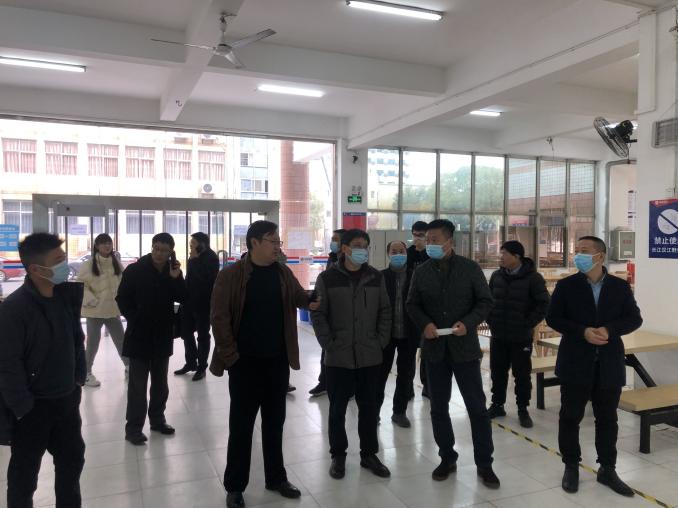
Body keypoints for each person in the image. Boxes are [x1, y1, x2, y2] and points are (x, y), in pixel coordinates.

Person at [210, 221, 319, 508]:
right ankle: (235, 486)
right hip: (244, 365)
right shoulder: (231, 275)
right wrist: (232, 358)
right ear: (254, 243)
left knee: (274, 424)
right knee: (241, 427)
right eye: (273, 241)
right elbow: (219, 319)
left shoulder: (282, 272)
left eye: (278, 241)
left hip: (276, 362)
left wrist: (313, 299)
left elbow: (299, 297)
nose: (278, 246)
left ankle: (276, 478)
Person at [547, 236, 642, 497]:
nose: (578, 255)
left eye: (584, 250)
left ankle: (607, 469)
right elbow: (553, 318)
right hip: (575, 362)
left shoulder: (619, 287)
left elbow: (634, 318)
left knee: (608, 419)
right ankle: (571, 465)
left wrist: (609, 330)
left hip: (609, 363)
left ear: (600, 255)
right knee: (570, 416)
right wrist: (583, 331)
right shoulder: (566, 286)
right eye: (576, 250)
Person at [406, 219, 499, 487]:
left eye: (434, 240)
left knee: (477, 408)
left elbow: (485, 301)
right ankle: (447, 457)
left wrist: (468, 323)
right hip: (435, 350)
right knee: (438, 408)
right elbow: (412, 304)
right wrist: (425, 324)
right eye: (427, 240)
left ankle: (485, 463)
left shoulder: (469, 269)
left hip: (465, 350)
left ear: (450, 242)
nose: (429, 244)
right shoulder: (422, 271)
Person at [0, 233, 86, 507]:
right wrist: (24, 408)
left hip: (66, 401)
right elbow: (7, 365)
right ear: (37, 269)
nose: (65, 265)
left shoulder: (65, 297)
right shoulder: (14, 309)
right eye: (58, 261)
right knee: (24, 477)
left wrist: (77, 380)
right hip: (33, 408)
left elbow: (76, 340)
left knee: (71, 465)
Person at [311, 229, 392, 480]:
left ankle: (369, 454)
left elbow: (385, 311)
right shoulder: (327, 278)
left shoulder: (375, 277)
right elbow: (318, 313)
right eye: (357, 245)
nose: (362, 250)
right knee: (337, 409)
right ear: (345, 248)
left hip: (370, 356)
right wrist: (328, 343)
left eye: (365, 246)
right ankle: (338, 455)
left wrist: (380, 341)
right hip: (339, 356)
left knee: (369, 408)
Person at [116, 233, 187, 446]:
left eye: (164, 250)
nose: (159, 253)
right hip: (139, 335)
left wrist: (176, 278)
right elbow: (122, 298)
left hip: (162, 334)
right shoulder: (135, 270)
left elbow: (183, 297)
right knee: (137, 386)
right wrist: (135, 318)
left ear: (171, 252)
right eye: (156, 248)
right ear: (152, 247)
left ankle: (157, 420)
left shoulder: (172, 271)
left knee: (160, 384)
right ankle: (133, 429)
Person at [486, 241, 549, 428]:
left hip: (521, 336)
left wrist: (527, 323)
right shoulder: (497, 276)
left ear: (516, 256)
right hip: (498, 334)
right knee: (497, 372)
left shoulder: (533, 278)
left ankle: (523, 409)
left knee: (521, 374)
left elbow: (544, 303)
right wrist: (491, 320)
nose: (501, 257)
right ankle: (497, 405)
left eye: (504, 253)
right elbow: (488, 300)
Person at [77, 233, 129, 387]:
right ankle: (86, 373)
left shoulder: (116, 263)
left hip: (112, 310)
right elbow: (81, 285)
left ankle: (128, 367)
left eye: (109, 243)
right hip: (94, 311)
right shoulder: (89, 264)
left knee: (121, 341)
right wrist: (92, 300)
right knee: (92, 344)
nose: (107, 246)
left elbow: (125, 283)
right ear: (97, 246)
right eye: (103, 243)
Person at [377, 240, 418, 428]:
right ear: (388, 254)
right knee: (380, 375)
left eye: (401, 251)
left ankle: (399, 412)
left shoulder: (416, 276)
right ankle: (374, 413)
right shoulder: (380, 277)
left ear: (406, 254)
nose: (398, 254)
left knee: (405, 375)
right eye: (394, 251)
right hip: (386, 335)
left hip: (408, 334)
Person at [175, 232, 220, 381]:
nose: (190, 247)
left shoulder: (211, 258)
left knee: (202, 335)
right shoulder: (193, 257)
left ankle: (201, 367)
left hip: (203, 304)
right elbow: (190, 279)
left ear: (202, 244)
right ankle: (190, 363)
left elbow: (205, 279)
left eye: (193, 244)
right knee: (186, 333)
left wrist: (194, 260)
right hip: (188, 302)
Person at [309, 228, 346, 397]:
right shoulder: (332, 258)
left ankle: (347, 387)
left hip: (344, 315)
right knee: (327, 350)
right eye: (332, 239)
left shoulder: (351, 264)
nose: (333, 242)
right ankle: (324, 382)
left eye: (336, 239)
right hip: (329, 314)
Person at [407, 220, 430, 398]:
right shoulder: (408, 254)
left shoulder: (432, 254)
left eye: (421, 235)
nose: (417, 239)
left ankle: (427, 385)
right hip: (410, 307)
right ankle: (407, 387)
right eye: (415, 235)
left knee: (427, 351)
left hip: (428, 310)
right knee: (408, 351)